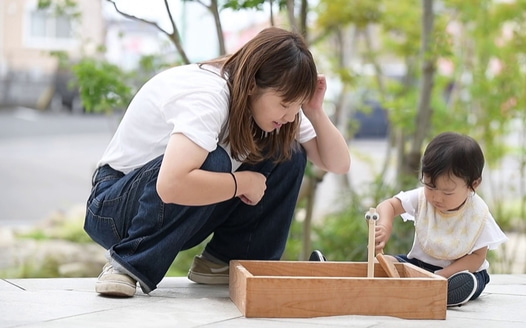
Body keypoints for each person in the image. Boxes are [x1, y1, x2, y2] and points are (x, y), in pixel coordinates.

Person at [84, 27, 351, 297]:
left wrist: (315, 111)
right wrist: (242, 182)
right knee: (214, 161)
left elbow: (337, 164)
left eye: (297, 106)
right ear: (252, 85)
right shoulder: (207, 95)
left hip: (177, 214)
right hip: (114, 211)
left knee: (289, 151)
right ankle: (126, 264)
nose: (291, 115)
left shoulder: (278, 108)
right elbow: (171, 184)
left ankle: (226, 262)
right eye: (285, 105)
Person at [374, 132, 507, 307]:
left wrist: (443, 275)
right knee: (385, 263)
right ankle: (417, 284)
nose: (437, 197)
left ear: (473, 185)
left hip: (458, 271)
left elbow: (477, 258)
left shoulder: (477, 213)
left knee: (474, 280)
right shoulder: (422, 197)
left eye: (447, 192)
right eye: (430, 186)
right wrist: (385, 223)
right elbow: (388, 205)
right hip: (420, 266)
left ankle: (448, 290)